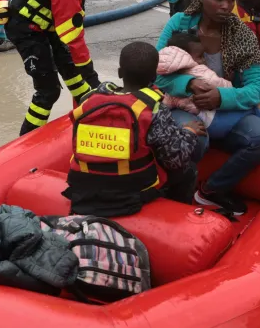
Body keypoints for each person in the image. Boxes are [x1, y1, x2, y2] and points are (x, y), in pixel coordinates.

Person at [156, 0, 260, 216]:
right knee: (195, 138)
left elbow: (258, 87)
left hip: (221, 109)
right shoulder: (179, 26)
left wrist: (220, 96)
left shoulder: (241, 35)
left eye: (231, 0)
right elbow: (156, 73)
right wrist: (188, 85)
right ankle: (174, 194)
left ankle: (211, 190)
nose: (226, 6)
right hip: (181, 104)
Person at [64, 41, 204, 217]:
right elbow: (175, 159)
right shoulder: (153, 110)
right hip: (130, 194)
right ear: (154, 76)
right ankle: (176, 217)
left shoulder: (89, 101)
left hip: (82, 188)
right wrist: (189, 132)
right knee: (188, 170)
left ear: (120, 72)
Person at [6, 0, 112, 134]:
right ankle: (25, 141)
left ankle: (89, 113)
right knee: (48, 90)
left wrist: (89, 81)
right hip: (25, 29)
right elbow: (73, 37)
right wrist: (91, 74)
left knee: (73, 72)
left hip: (47, 24)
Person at [157, 31, 232, 125]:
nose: (204, 60)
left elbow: (165, 105)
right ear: (186, 57)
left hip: (195, 116)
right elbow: (222, 85)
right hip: (212, 118)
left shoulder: (169, 75)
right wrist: (231, 89)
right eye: (200, 56)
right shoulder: (200, 72)